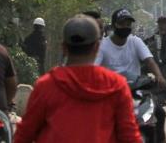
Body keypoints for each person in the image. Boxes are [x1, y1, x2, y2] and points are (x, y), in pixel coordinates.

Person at [14, 16, 142, 143]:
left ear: (64, 48)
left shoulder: (46, 86)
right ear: (97, 47)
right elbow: (129, 136)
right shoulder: (117, 86)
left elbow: (24, 135)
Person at [96, 8, 166, 143]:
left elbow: (149, 61)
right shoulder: (103, 45)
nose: (126, 27)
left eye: (128, 24)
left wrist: (159, 76)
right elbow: (94, 68)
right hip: (112, 94)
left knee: (160, 113)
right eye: (122, 23)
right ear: (114, 25)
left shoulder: (135, 41)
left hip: (137, 91)